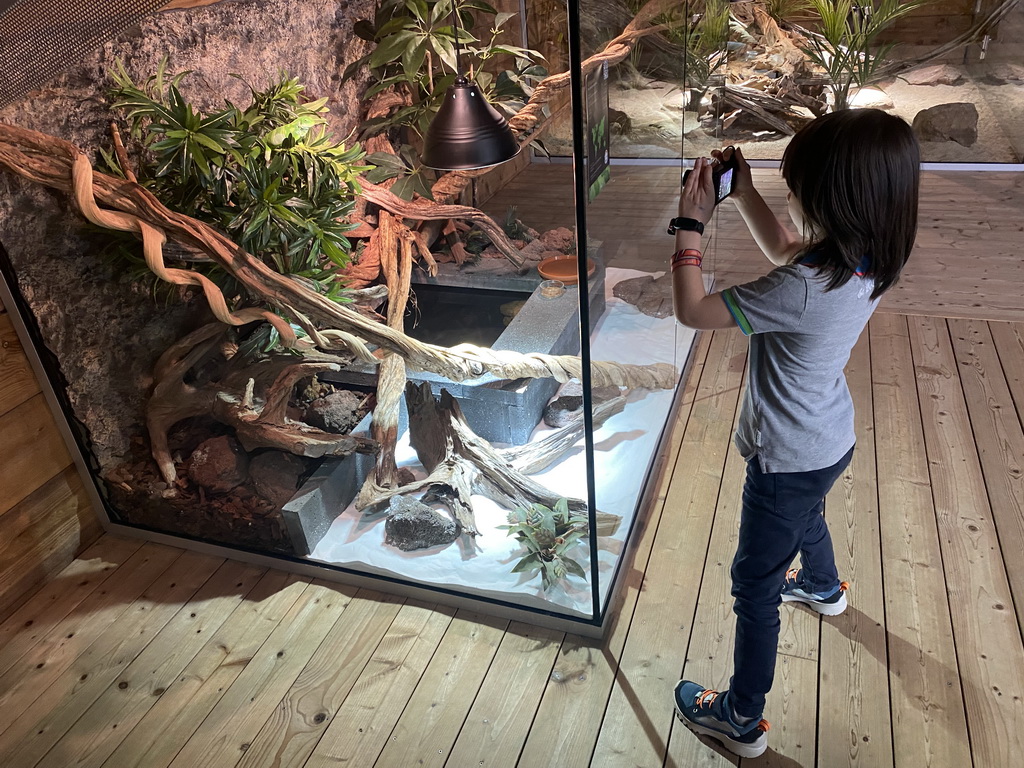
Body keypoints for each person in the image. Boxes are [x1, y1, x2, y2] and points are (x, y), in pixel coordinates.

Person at [666, 108, 921, 759]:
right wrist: (743, 192)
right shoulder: (870, 256)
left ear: (832, 198)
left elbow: (694, 310)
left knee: (754, 585)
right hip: (829, 439)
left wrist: (691, 223)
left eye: (796, 186)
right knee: (807, 515)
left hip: (785, 457)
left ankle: (741, 717)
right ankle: (825, 588)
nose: (791, 197)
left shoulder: (803, 288)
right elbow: (787, 250)